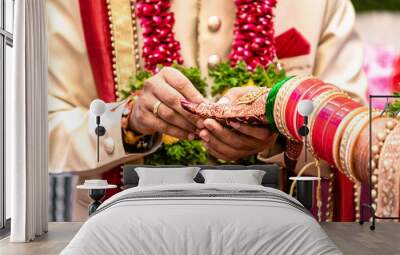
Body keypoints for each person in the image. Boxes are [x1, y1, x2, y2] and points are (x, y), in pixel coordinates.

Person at [48, 0, 366, 220]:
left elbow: (354, 134)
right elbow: (45, 129)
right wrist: (129, 121)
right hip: (117, 240)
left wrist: (280, 135)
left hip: (275, 236)